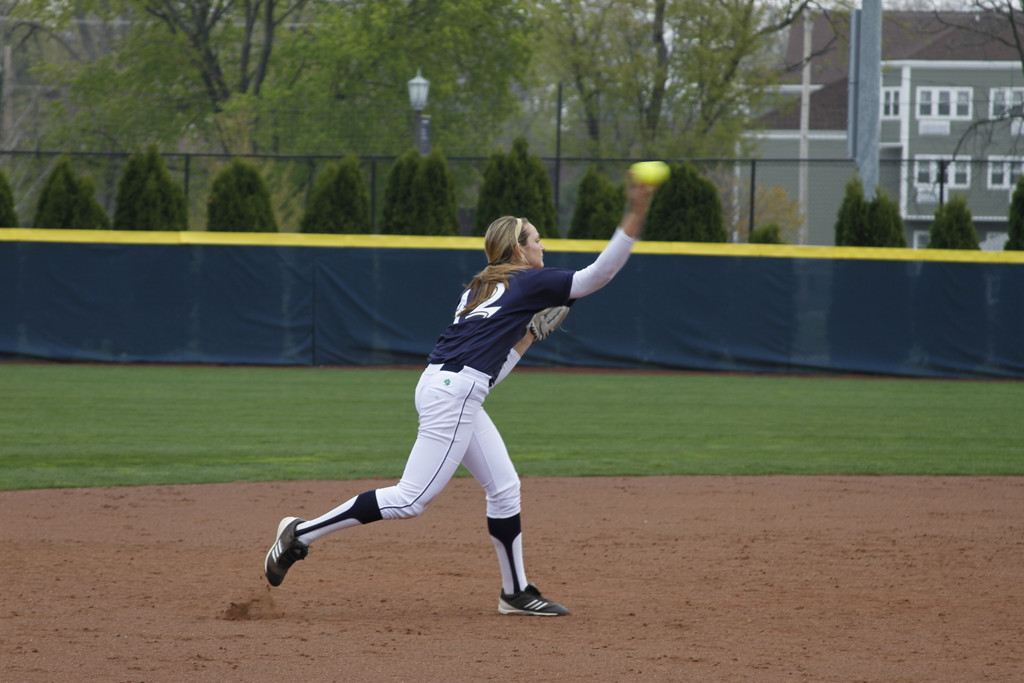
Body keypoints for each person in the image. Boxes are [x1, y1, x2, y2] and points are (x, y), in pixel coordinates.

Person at [265, 172, 657, 616]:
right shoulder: (528, 282)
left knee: (504, 487)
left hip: (447, 386)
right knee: (410, 499)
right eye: (536, 240)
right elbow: (598, 275)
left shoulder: (478, 289)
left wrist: (528, 337)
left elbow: (486, 374)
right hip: (454, 392)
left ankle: (515, 592)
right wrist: (635, 212)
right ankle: (301, 534)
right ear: (518, 250)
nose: (542, 247)